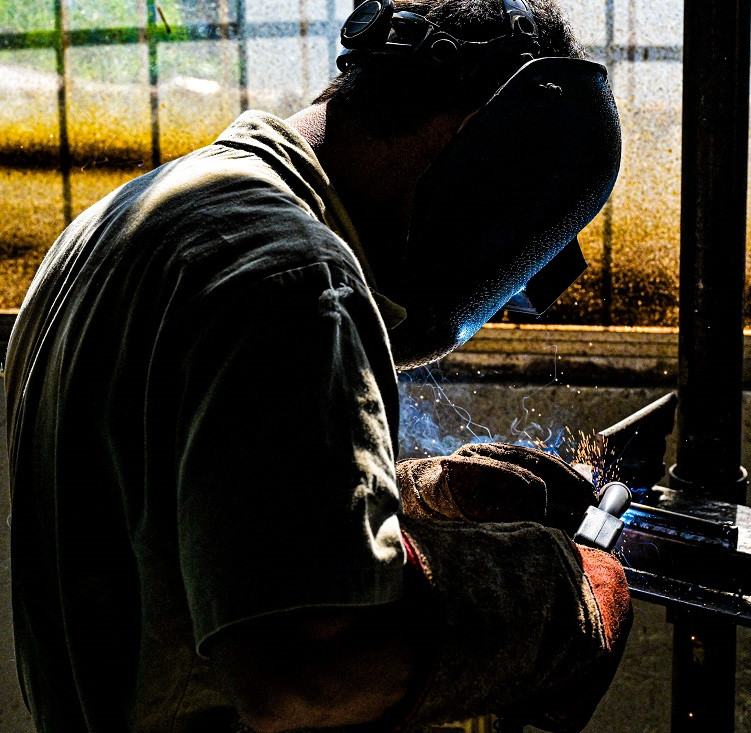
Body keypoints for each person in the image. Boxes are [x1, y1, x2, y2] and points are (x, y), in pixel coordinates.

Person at [3, 0, 631, 730]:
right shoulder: (294, 276)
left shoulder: (130, 225)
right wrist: (555, 600)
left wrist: (412, 495)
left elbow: (187, 526)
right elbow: (304, 662)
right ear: (477, 149)